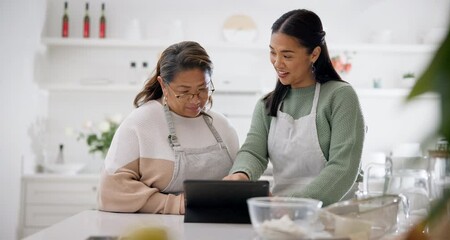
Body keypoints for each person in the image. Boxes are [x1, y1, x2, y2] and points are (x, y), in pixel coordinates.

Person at [223, 9, 365, 206]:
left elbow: (343, 167)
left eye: (287, 56)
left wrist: (294, 204)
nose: (277, 63)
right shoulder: (267, 104)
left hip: (336, 215)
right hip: (283, 215)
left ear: (314, 54)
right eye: (273, 52)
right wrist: (241, 175)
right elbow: (253, 152)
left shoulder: (340, 96)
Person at [98, 41, 239, 214]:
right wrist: (177, 205)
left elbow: (237, 185)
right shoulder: (141, 123)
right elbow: (110, 192)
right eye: (184, 92)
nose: (195, 100)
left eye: (203, 89)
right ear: (163, 85)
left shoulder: (222, 126)